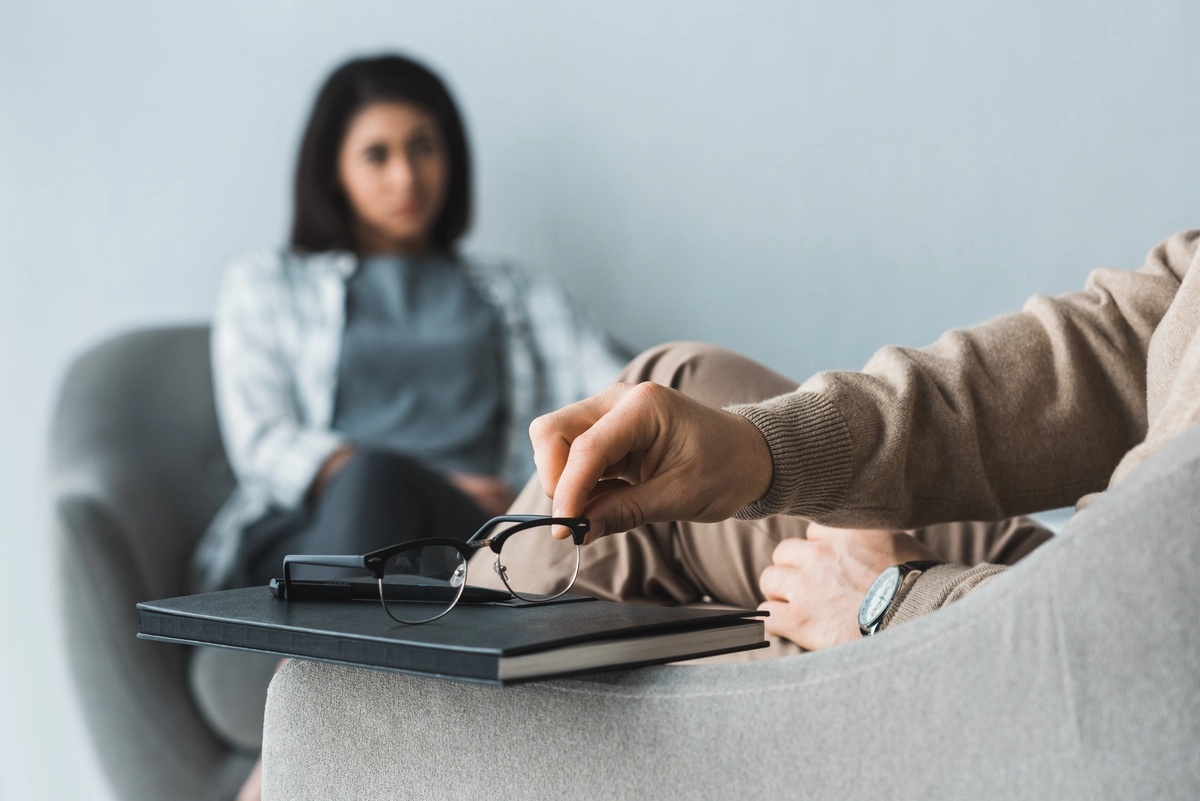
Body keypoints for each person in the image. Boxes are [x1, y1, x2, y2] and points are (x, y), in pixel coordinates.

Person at [189, 53, 629, 800]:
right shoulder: (269, 284)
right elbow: (263, 441)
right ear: (333, 169)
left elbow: (621, 392)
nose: (406, 177)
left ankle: (295, 760)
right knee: (374, 478)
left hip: (469, 532)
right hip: (313, 529)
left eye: (424, 148)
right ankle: (290, 754)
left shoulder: (518, 294)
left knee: (494, 542)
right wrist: (397, 471)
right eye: (377, 154)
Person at [474, 229, 1199, 654]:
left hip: (1082, 663)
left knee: (546, 685)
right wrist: (763, 451)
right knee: (674, 392)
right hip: (1092, 576)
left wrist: (898, 600)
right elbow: (1126, 343)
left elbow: (1153, 653)